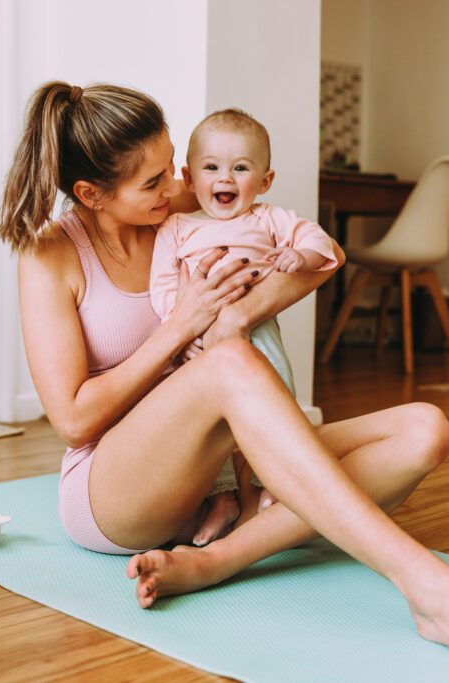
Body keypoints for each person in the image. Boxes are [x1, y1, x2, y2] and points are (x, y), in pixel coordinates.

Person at [0, 81, 449, 683]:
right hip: (114, 491)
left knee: (425, 429)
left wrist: (238, 315)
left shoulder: (185, 203)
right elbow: (73, 419)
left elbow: (328, 257)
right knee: (229, 364)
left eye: (173, 168)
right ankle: (434, 591)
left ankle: (217, 561)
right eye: (154, 183)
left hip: (212, 472)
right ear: (91, 194)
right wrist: (180, 329)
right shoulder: (51, 253)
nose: (177, 185)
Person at [149, 108, 339, 546]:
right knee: (204, 425)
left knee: (276, 398)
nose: (226, 179)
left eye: (241, 168)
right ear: (189, 176)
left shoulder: (269, 219)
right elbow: (160, 287)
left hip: (257, 329)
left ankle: (278, 478)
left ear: (265, 181)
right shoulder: (177, 227)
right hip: (196, 340)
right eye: (212, 167)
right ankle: (223, 497)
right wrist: (179, 333)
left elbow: (320, 241)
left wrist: (301, 258)